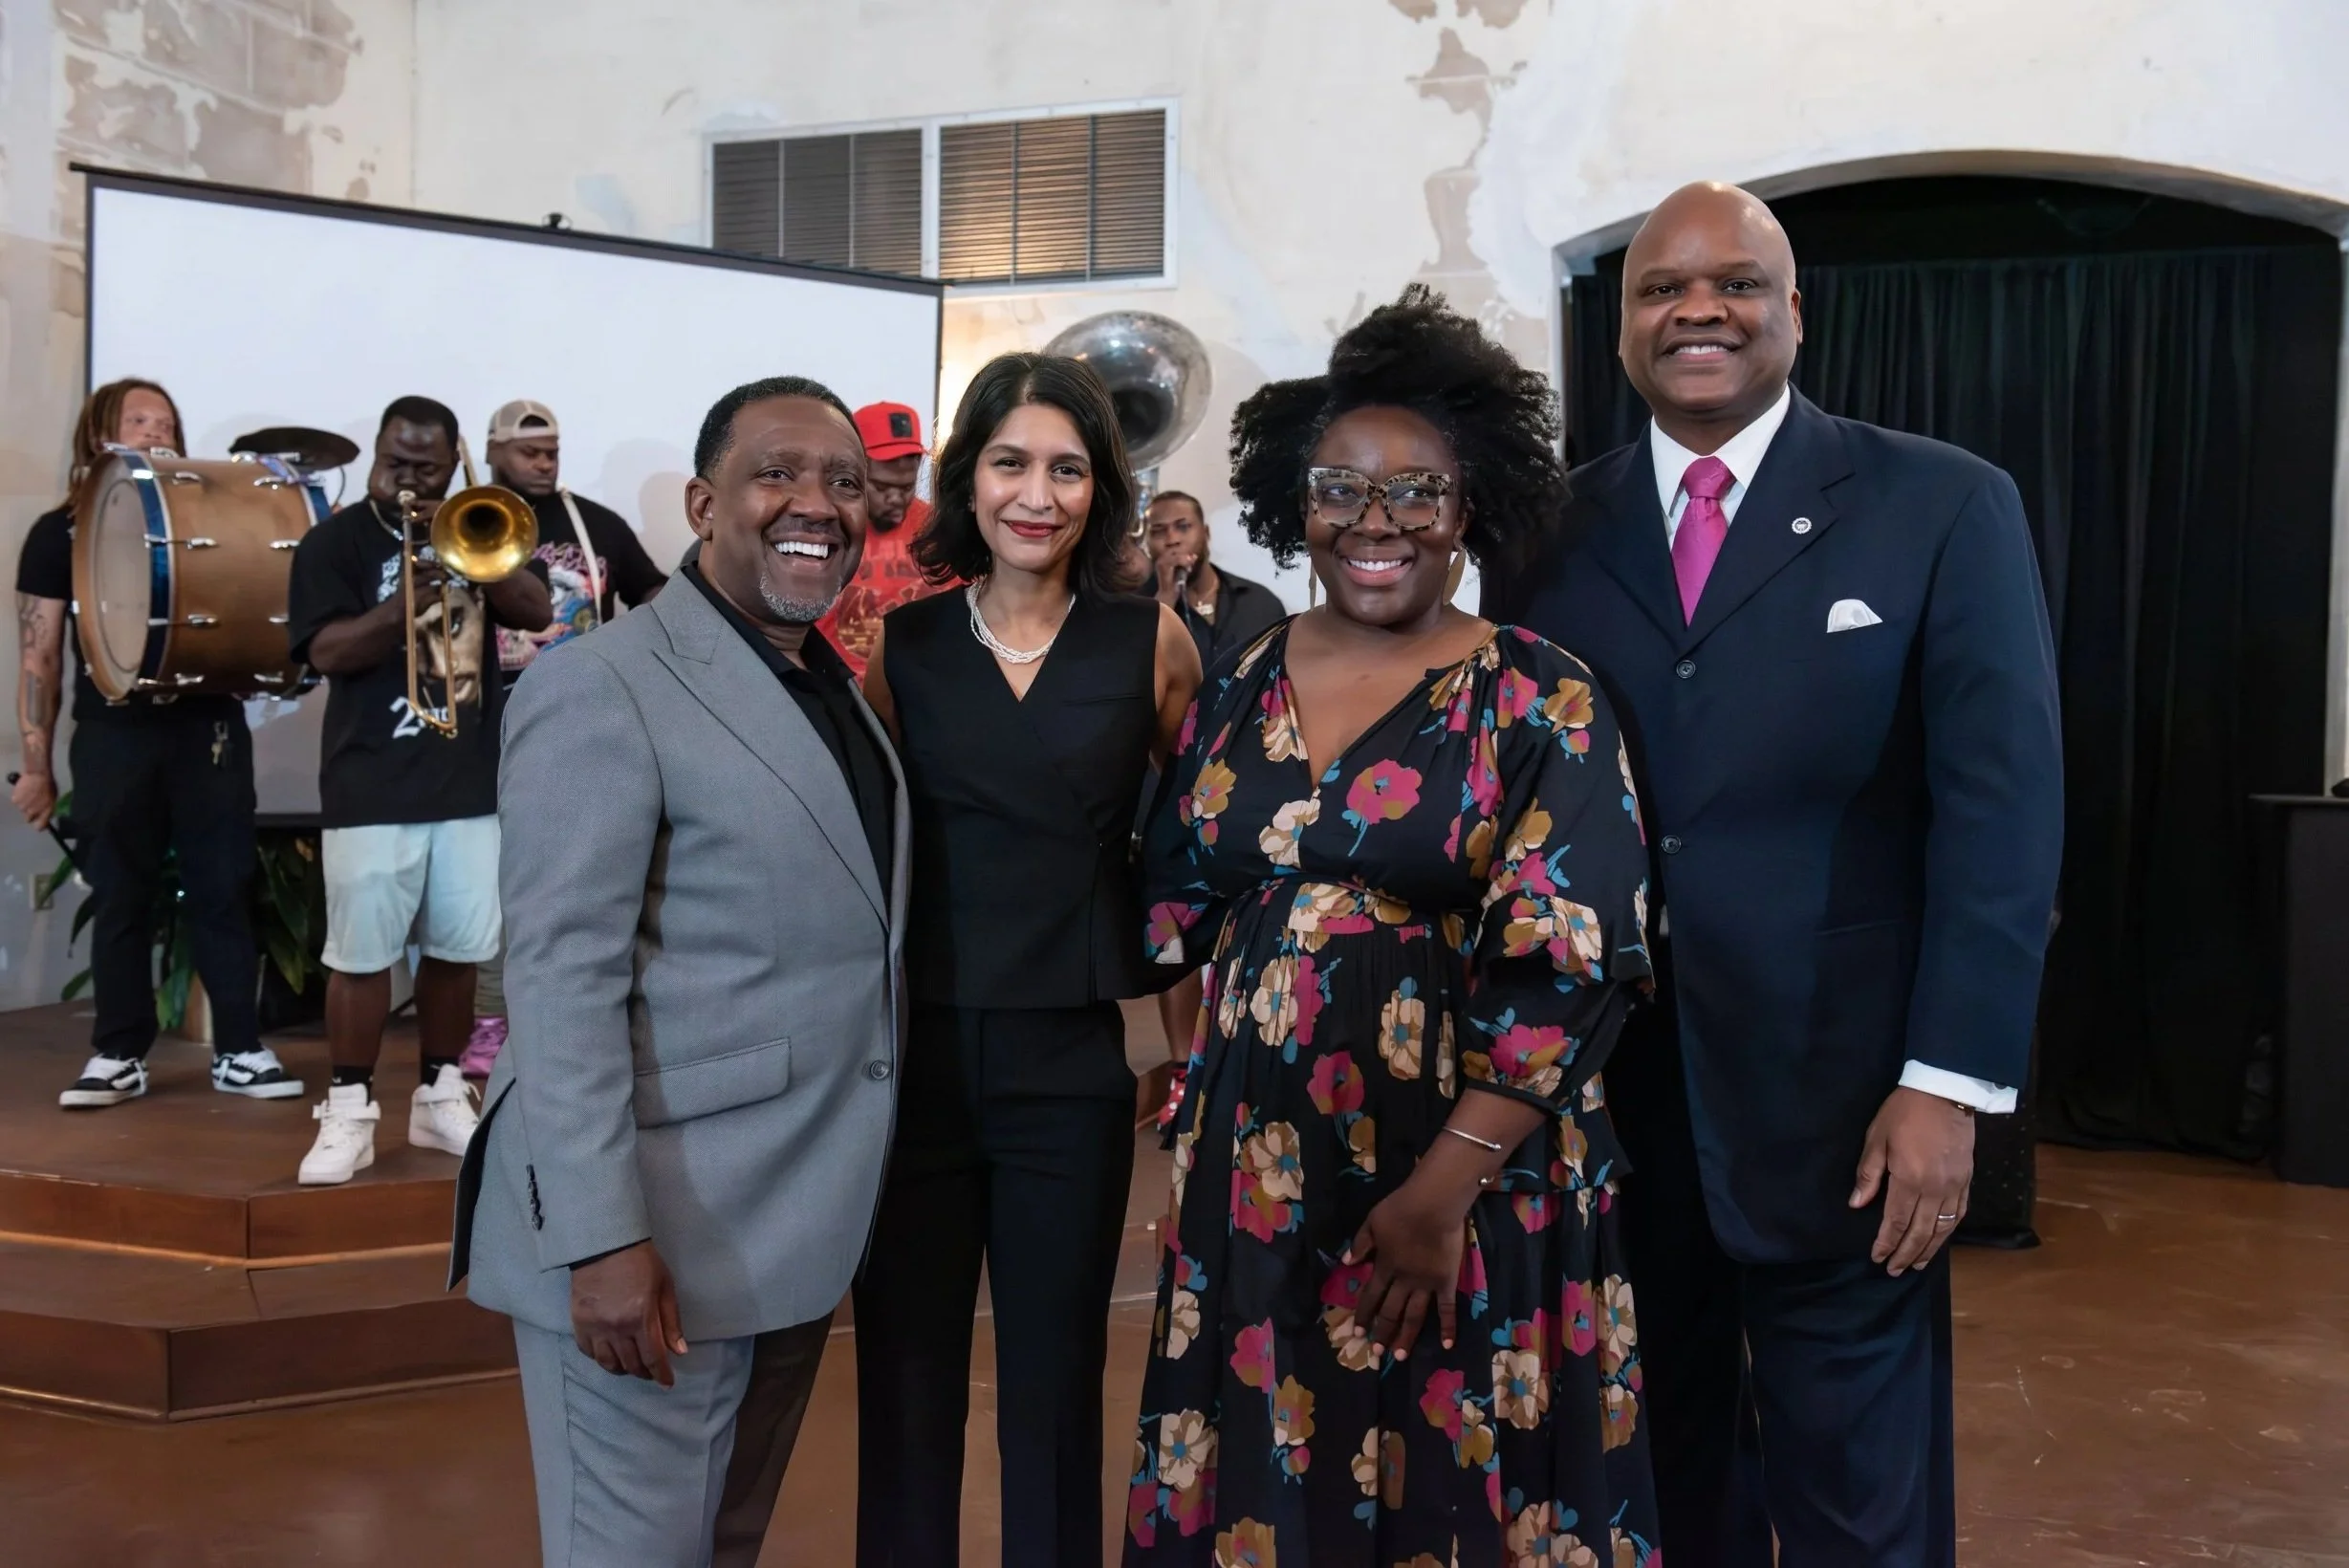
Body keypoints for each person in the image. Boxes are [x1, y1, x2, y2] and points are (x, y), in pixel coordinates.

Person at [1488, 183, 2063, 1566]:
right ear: (1620, 328)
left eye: (1735, 283)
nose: (1697, 308)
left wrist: (1947, 1085)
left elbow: (2003, 812)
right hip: (1611, 1110)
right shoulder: (1546, 537)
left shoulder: (1940, 504)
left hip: (1847, 1109)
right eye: (1658, 289)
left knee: (1862, 1503)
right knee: (1665, 1480)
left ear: (1794, 311)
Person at [1124, 287, 1660, 1567]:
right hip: (1257, 1190)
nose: (1377, 523)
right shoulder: (1239, 678)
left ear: (1472, 506)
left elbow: (1575, 954)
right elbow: (1179, 902)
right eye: (1342, 490)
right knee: (1270, 1481)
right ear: (1291, 502)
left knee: (1455, 1487)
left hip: (1471, 1186)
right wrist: (1206, 1101)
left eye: (1418, 491)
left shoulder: (1541, 692)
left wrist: (1441, 1191)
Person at [452, 376, 903, 1568]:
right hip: (649, 1240)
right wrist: (598, 1238)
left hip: (784, 1222)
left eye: (845, 482)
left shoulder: (823, 682)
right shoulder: (600, 684)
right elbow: (557, 979)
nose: (818, 502)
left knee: (721, 1544)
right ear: (706, 502)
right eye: (779, 474)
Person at [856, 353, 1201, 1568]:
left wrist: (1190, 1044)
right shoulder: (901, 649)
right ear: (969, 477)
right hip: (917, 1061)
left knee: (1056, 1378)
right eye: (1011, 463)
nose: (1036, 494)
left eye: (1066, 467)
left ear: (1100, 486)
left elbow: (1190, 860)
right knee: (905, 1377)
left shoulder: (1153, 640)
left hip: (1072, 1060)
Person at [283, 397, 553, 1187]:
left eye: (426, 469)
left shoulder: (474, 524)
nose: (409, 480)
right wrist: (411, 598)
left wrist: (476, 563)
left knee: (460, 949)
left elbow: (536, 610)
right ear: (376, 451)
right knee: (361, 958)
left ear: (453, 463)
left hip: (467, 781)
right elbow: (326, 651)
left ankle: (440, 1091)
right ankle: (348, 1106)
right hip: (372, 782)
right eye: (395, 463)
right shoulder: (333, 543)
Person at [15, 379, 305, 1106]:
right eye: (137, 419)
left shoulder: (207, 519)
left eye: (166, 421)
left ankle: (238, 1047)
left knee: (222, 885)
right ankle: (118, 1052)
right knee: (121, 893)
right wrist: (34, 767)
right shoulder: (61, 533)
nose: (156, 431)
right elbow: (39, 655)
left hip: (205, 726)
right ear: (97, 436)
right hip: (113, 733)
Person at [464, 398, 669, 1078]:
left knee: (587, 871)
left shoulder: (597, 523)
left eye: (552, 448)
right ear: (493, 453)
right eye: (528, 451)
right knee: (502, 876)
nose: (544, 460)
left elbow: (654, 596)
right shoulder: (463, 522)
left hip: (584, 720)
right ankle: (491, 1020)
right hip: (490, 723)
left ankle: (586, 1014)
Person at [1139, 489, 1289, 1127]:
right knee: (1173, 937)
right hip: (1166, 787)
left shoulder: (1257, 601)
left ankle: (1233, 1063)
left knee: (1239, 930)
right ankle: (1179, 1070)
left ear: (1203, 529)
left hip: (1248, 789)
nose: (1172, 538)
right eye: (1159, 530)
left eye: (1182, 525)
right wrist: (1165, 600)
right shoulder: (1142, 613)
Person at [815, 400, 948, 678]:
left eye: (906, 487)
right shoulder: (820, 531)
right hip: (842, 696)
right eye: (882, 487)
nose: (896, 499)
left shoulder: (938, 530)